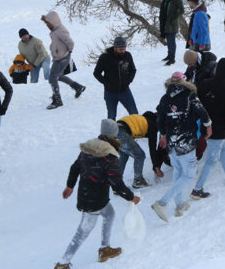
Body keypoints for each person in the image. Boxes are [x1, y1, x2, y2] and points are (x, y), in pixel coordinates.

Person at [55, 119, 140, 269]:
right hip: (94, 200)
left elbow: (75, 167)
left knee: (109, 214)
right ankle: (63, 263)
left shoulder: (88, 147)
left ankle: (104, 249)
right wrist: (131, 197)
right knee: (83, 231)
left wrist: (70, 186)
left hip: (89, 194)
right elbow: (117, 183)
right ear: (114, 135)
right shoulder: (110, 155)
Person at [152, 72, 211, 222]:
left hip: (172, 141)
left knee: (178, 171)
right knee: (190, 173)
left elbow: (159, 120)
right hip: (186, 141)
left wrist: (164, 135)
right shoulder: (189, 95)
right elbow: (203, 113)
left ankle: (179, 206)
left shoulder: (165, 98)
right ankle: (162, 203)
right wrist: (208, 126)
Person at [191, 58, 225, 200]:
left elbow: (197, 104)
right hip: (219, 129)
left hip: (205, 125)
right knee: (212, 159)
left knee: (223, 148)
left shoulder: (204, 84)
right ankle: (197, 189)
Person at [42, 11, 86, 110]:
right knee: (57, 76)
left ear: (54, 21)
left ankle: (57, 100)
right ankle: (78, 87)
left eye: (48, 23)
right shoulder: (54, 31)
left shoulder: (60, 31)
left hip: (62, 58)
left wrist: (68, 51)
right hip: (58, 57)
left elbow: (70, 42)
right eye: (46, 23)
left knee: (53, 78)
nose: (47, 25)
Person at [116, 111, 170, 188]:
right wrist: (156, 167)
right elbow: (152, 148)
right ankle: (138, 181)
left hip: (113, 130)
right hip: (122, 132)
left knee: (124, 155)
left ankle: (117, 184)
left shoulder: (142, 119)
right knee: (140, 155)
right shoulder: (152, 125)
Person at [93, 37, 138, 120]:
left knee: (134, 113)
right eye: (120, 49)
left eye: (124, 49)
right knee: (111, 116)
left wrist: (128, 81)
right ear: (115, 48)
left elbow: (133, 70)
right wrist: (106, 83)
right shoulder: (105, 57)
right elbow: (96, 73)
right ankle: (112, 132)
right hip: (110, 92)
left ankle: (138, 132)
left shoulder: (127, 55)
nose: (123, 51)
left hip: (125, 90)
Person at [159, 0, 184, 66]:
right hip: (164, 23)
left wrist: (174, 17)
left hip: (172, 24)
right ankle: (169, 55)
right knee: (168, 41)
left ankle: (172, 58)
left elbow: (181, 10)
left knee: (171, 41)